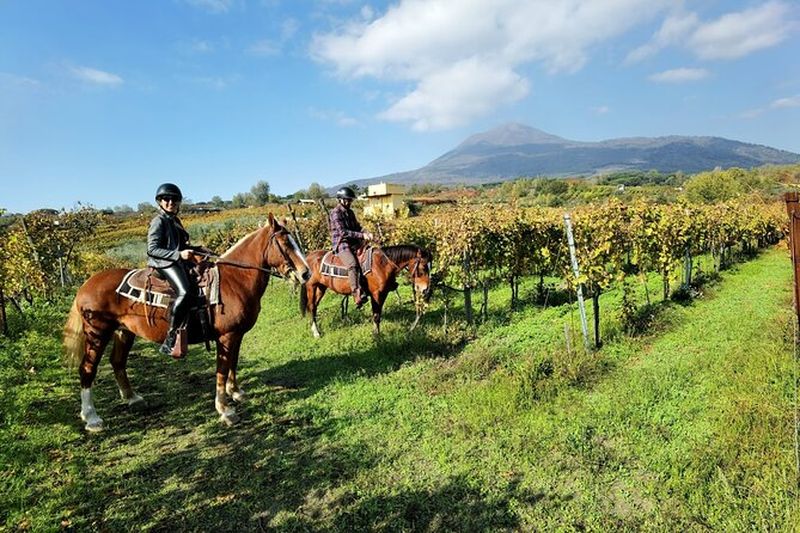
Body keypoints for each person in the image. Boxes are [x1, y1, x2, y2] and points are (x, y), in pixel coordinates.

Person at [147, 183, 195, 355]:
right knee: (185, 292)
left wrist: (197, 249)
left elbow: (180, 244)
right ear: (160, 202)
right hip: (162, 263)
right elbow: (152, 249)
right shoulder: (158, 221)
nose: (170, 202)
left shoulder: (174, 220)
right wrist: (179, 255)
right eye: (166, 199)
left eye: (174, 199)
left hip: (175, 260)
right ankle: (171, 337)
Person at [330, 186, 373, 307]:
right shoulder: (335, 213)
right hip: (341, 243)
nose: (349, 202)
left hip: (353, 241)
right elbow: (343, 232)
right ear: (340, 200)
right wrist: (362, 235)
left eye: (350, 200)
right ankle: (356, 293)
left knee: (370, 256)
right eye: (347, 200)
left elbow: (357, 227)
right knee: (352, 264)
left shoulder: (350, 212)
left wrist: (366, 232)